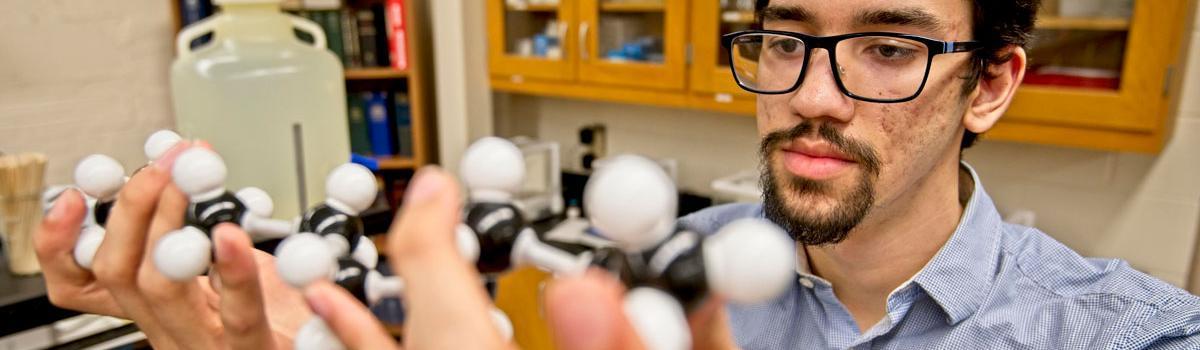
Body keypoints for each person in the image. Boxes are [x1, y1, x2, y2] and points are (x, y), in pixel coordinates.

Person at [34, 0, 1200, 349]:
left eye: (889, 48)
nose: (814, 91)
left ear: (990, 83)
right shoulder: (638, 270)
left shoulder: (1138, 338)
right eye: (786, 39)